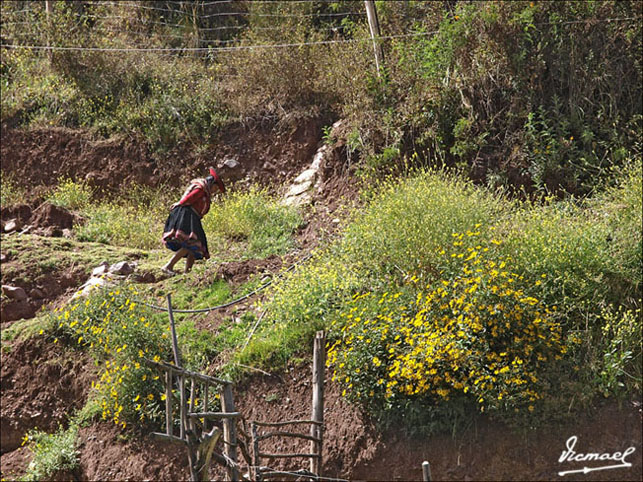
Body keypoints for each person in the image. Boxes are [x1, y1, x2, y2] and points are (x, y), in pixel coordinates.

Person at [161, 167, 225, 275]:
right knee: (190, 243)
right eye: (216, 188)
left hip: (192, 217)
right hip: (186, 215)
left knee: (194, 246)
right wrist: (179, 203)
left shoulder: (204, 191)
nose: (215, 191)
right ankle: (168, 266)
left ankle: (187, 273)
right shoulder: (200, 189)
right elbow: (189, 198)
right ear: (212, 184)